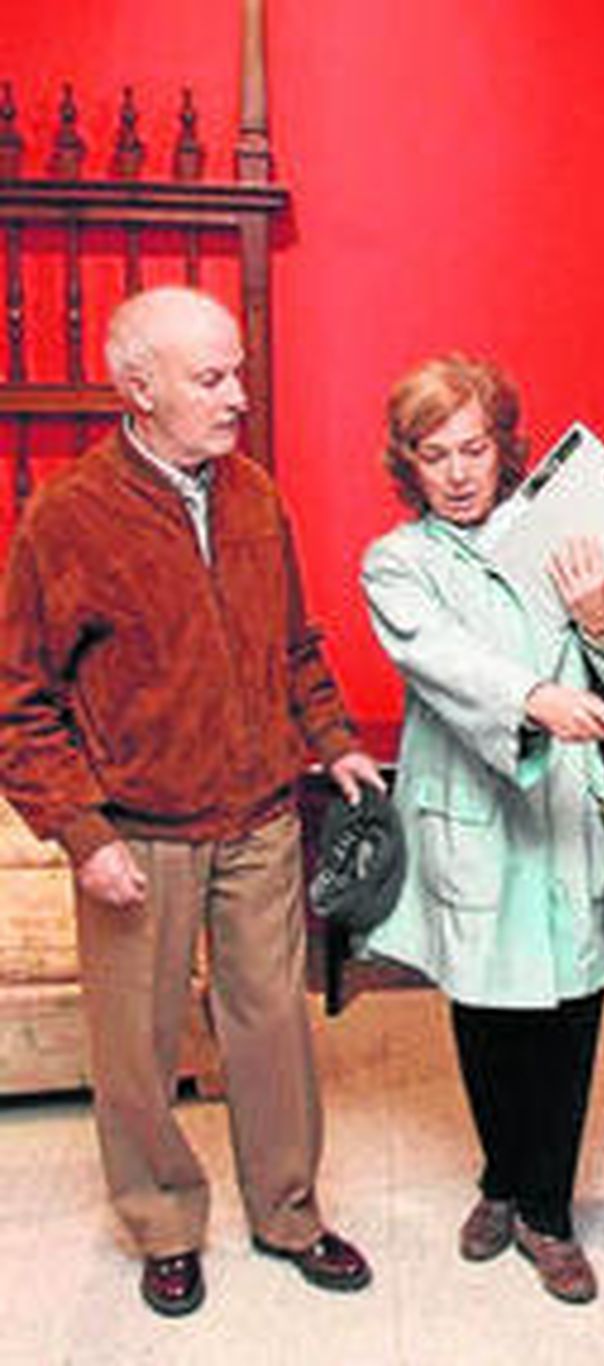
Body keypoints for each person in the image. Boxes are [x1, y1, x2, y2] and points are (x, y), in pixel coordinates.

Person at [0, 286, 386, 1318]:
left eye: (237, 373)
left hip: (260, 816)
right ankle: (163, 1223)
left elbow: (295, 646)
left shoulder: (254, 493)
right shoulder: (67, 515)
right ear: (139, 387)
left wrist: (336, 742)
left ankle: (289, 1213)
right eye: (211, 378)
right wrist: (82, 832)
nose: (238, 396)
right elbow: (19, 701)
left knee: (274, 1029)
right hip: (138, 832)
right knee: (135, 1045)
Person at [360, 354, 604, 1305]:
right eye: (434, 455)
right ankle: (501, 1177)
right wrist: (535, 696)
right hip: (470, 809)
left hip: (570, 804)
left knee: (573, 1006)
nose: (458, 473)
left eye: (474, 448)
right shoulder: (396, 563)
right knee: (485, 1006)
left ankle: (547, 1212)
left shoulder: (562, 534)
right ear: (407, 465)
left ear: (505, 448)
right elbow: (441, 660)